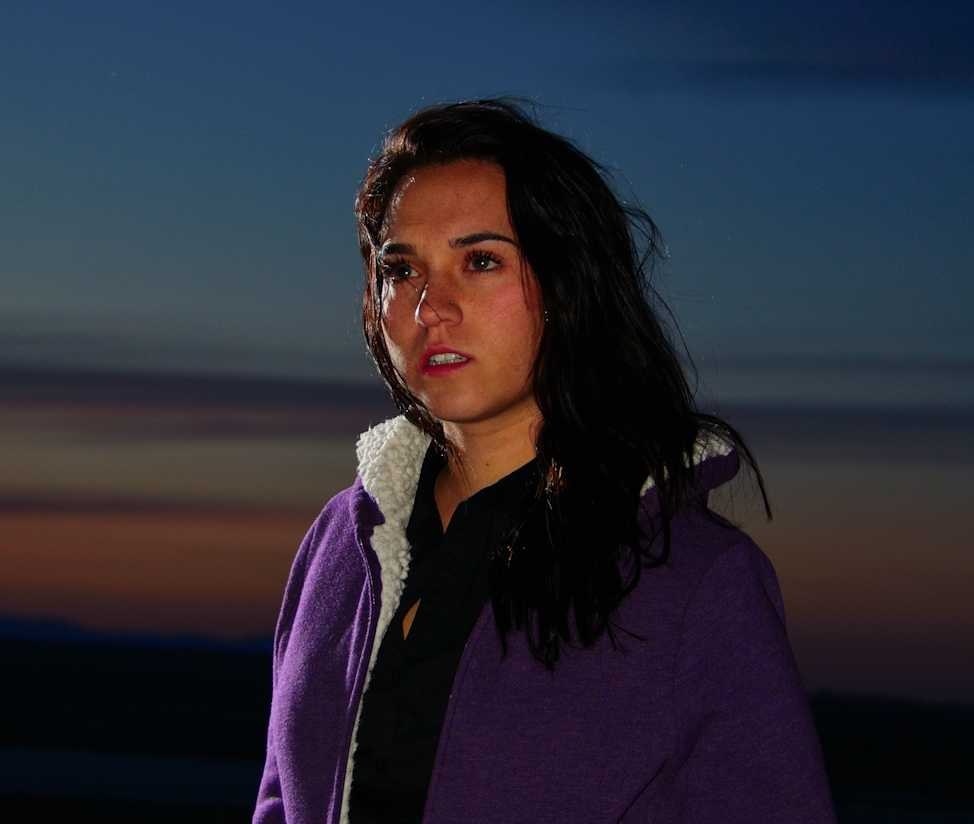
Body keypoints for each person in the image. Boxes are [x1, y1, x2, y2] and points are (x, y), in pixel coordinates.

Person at [254, 99, 836, 824]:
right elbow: (281, 799)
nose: (432, 306)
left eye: (481, 261)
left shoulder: (695, 579)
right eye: (401, 270)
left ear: (568, 284)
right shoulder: (341, 543)